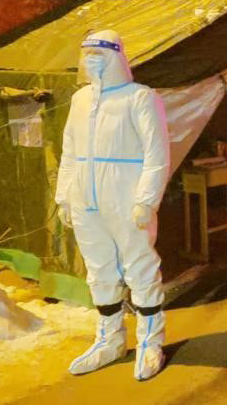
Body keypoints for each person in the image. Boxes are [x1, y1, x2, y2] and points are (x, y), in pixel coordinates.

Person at [55, 29, 171, 381]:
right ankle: (110, 339)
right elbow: (69, 151)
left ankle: (150, 342)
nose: (91, 61)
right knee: (99, 269)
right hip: (85, 198)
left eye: (98, 54)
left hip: (125, 196)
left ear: (116, 56)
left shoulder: (140, 98)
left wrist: (146, 200)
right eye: (87, 54)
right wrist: (65, 196)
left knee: (140, 266)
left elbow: (157, 154)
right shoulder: (80, 100)